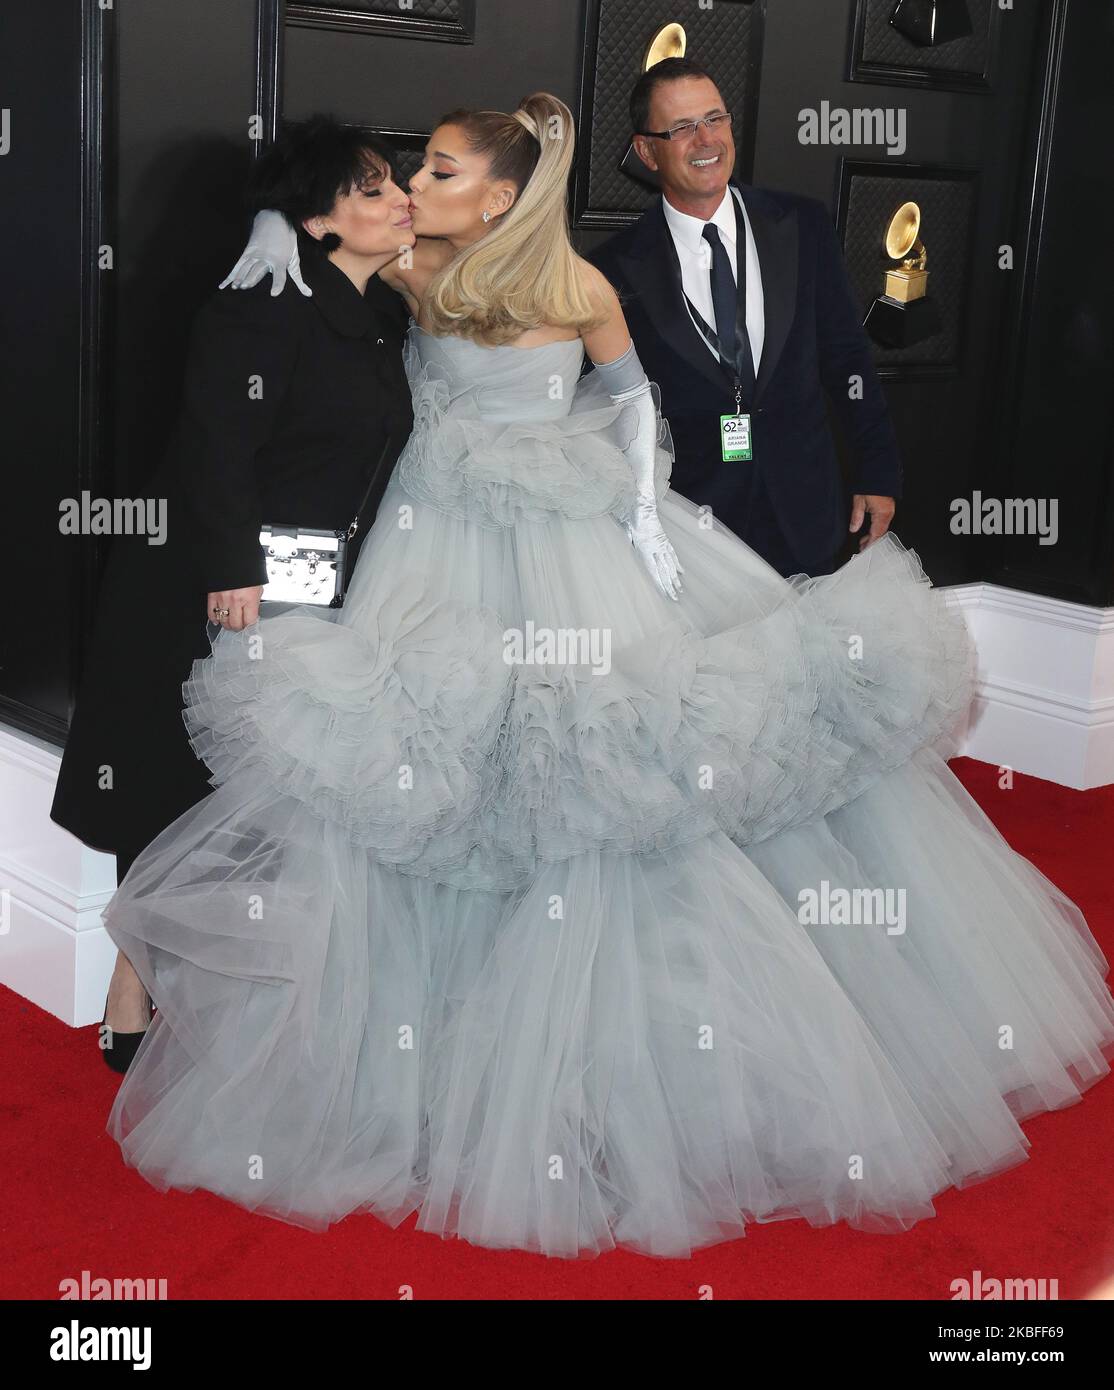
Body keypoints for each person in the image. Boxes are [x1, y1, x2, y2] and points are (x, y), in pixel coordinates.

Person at [99, 93, 1114, 1259]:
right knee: (437, 765)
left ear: (499, 191)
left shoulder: (582, 287)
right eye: (405, 175)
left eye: (433, 170)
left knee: (601, 768)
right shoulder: (419, 268)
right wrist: (284, 230)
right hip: (432, 551)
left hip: (575, 548)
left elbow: (637, 418)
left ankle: (613, 1063)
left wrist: (648, 545)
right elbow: (316, 263)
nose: (409, 188)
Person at [49, 116, 415, 1071]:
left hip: (320, 592)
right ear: (319, 221)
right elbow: (215, 444)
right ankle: (132, 986)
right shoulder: (260, 303)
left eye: (396, 182)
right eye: (371, 190)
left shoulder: (383, 311)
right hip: (212, 588)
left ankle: (238, 996)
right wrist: (233, 572)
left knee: (261, 801)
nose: (400, 198)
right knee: (178, 792)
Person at [588, 58, 900, 579]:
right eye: (683, 128)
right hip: (692, 527)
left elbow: (847, 358)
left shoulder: (803, 225)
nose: (706, 140)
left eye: (715, 119)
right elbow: (606, 411)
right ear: (646, 150)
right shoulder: (611, 270)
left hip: (808, 512)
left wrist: (877, 469)